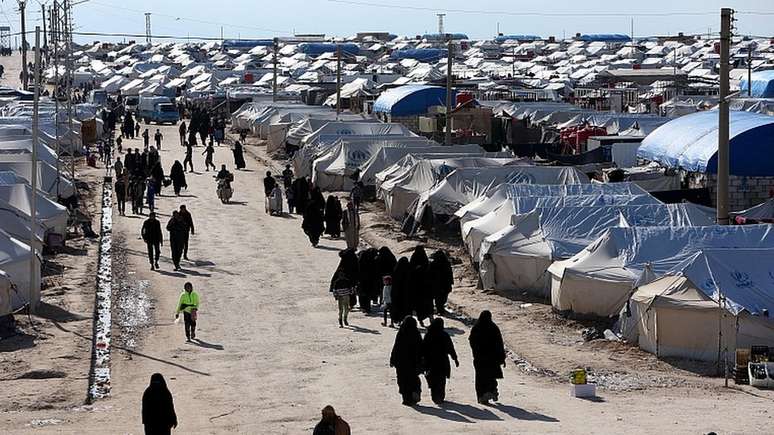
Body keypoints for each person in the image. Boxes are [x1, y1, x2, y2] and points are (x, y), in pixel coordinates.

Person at [469, 310, 506, 404]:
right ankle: (492, 392)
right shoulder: (493, 328)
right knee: (491, 376)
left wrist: (477, 352)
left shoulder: (476, 328)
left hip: (480, 359)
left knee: (481, 378)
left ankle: (482, 396)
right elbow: (499, 344)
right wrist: (502, 357)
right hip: (492, 359)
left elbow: (472, 341)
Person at [421, 318, 459, 404]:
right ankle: (440, 396)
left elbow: (423, 348)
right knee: (441, 380)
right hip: (442, 361)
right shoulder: (444, 335)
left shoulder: (428, 334)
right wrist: (455, 358)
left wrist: (421, 359)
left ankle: (435, 396)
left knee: (433, 379)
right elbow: (450, 348)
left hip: (430, 361)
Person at [390, 316, 423, 406]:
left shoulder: (401, 333)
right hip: (413, 362)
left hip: (401, 363)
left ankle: (407, 399)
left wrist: (392, 359)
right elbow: (421, 349)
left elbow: (396, 347)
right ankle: (415, 392)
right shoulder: (416, 333)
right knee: (413, 379)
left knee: (403, 380)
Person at [410, 246, 433, 327]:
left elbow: (411, 270)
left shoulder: (414, 257)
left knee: (420, 305)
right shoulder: (424, 258)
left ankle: (421, 320)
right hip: (425, 287)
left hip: (417, 287)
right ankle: (429, 320)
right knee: (427, 304)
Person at [428, 249, 454, 315]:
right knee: (443, 298)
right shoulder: (446, 263)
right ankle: (440, 309)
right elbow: (450, 274)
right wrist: (451, 282)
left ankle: (440, 309)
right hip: (445, 285)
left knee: (438, 298)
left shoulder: (433, 264)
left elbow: (430, 274)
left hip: (436, 285)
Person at [357, 248, 380, 313]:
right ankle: (367, 308)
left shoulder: (363, 257)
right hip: (368, 280)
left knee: (362, 294)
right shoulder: (371, 259)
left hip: (362, 280)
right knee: (367, 294)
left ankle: (364, 307)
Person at [390, 257, 411, 326]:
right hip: (406, 292)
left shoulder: (396, 269)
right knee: (405, 307)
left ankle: (396, 320)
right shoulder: (409, 269)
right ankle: (405, 320)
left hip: (397, 292)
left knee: (396, 306)